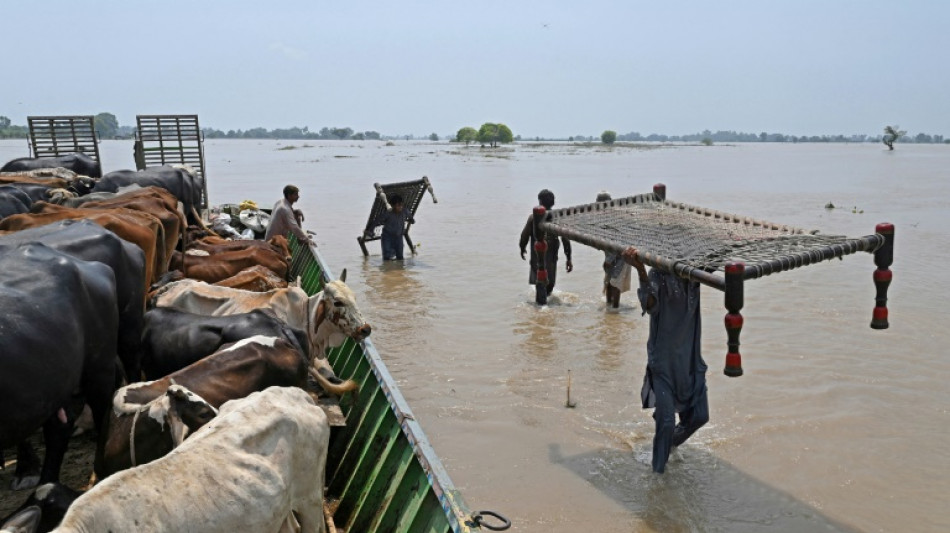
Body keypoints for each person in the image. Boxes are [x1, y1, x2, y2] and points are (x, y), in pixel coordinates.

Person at [623, 246, 709, 474]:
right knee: (667, 422)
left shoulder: (694, 276)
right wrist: (640, 270)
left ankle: (669, 444)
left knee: (700, 416)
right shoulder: (658, 274)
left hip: (689, 360)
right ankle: (657, 480)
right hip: (663, 362)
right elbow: (650, 306)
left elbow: (715, 263)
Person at [519, 189, 573, 302]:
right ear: (553, 202)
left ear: (539, 201)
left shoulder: (533, 217)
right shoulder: (558, 218)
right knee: (550, 283)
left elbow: (524, 235)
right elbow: (565, 240)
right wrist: (568, 258)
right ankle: (546, 308)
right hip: (552, 257)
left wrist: (522, 248)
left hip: (537, 257)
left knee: (540, 282)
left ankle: (541, 309)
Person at [596, 191, 631, 308]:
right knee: (609, 281)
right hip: (611, 255)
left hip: (622, 255)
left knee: (615, 283)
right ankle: (609, 306)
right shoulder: (604, 217)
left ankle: (615, 310)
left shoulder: (613, 218)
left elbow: (617, 241)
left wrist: (609, 260)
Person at [380, 193, 414, 260]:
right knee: (386, 256)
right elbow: (377, 221)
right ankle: (387, 269)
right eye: (398, 205)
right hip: (387, 237)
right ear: (392, 206)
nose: (400, 207)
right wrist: (369, 230)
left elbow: (410, 217)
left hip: (398, 236)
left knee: (400, 256)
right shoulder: (388, 213)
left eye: (401, 205)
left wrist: (412, 220)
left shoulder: (405, 211)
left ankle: (398, 270)